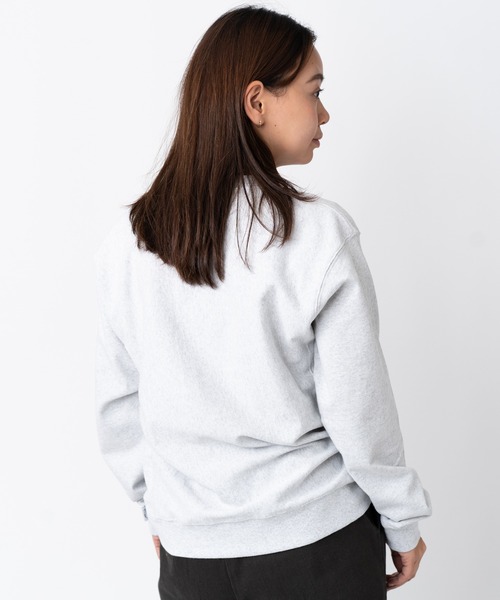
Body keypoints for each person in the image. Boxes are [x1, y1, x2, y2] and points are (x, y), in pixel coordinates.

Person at [94, 5, 432, 599]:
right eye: (314, 91)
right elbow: (359, 407)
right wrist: (402, 521)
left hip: (191, 558)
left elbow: (119, 401)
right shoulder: (318, 234)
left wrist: (160, 509)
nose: (324, 113)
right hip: (317, 543)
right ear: (257, 102)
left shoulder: (133, 240)